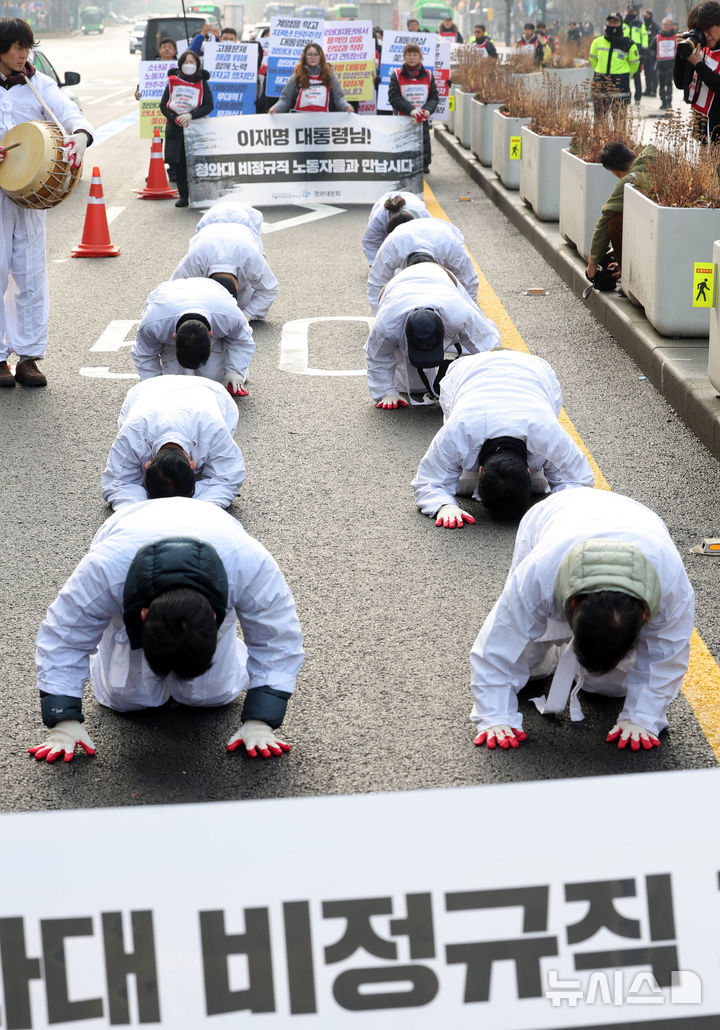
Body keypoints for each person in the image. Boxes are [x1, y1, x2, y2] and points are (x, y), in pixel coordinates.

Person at [28, 497, 304, 763]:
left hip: (213, 531)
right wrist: (63, 719)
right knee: (128, 700)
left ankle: (218, 665)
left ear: (215, 617)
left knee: (211, 696)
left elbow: (277, 639)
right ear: (142, 615)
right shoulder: (104, 568)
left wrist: (261, 720)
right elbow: (64, 637)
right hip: (130, 533)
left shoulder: (249, 563)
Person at [469, 488, 694, 752]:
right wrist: (495, 716)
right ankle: (548, 653)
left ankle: (588, 658)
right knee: (532, 669)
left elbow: (666, 654)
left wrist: (643, 718)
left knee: (608, 688)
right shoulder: (540, 571)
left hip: (638, 523)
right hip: (554, 515)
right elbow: (501, 638)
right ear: (571, 604)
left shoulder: (671, 586)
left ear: (644, 615)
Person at [0, 17, 93, 388]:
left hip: (26, 200)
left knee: (30, 275)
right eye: (15, 47)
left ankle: (29, 357)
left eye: (27, 47)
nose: (23, 54)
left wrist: (81, 136)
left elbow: (71, 115)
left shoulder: (38, 84)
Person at [412, 351, 594, 528]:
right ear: (528, 469)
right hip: (471, 373)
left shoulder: (548, 431)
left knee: (536, 484)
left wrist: (560, 508)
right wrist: (444, 506)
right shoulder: (458, 429)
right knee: (539, 485)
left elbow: (578, 483)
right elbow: (429, 480)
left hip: (531, 372)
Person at [364, 262, 500, 409]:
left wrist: (489, 384)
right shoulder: (387, 324)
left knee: (483, 343)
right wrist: (386, 393)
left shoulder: (458, 314)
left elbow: (486, 345)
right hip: (396, 288)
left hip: (442, 278)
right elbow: (377, 356)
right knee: (416, 388)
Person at [101, 375, 246, 510]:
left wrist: (196, 508)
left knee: (218, 469)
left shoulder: (214, 428)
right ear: (146, 465)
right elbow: (117, 483)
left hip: (211, 392)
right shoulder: (133, 431)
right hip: (147, 391)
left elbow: (228, 477)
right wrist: (142, 511)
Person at [132, 277, 254, 397]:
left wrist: (235, 371)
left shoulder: (230, 316)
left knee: (215, 384)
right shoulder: (153, 323)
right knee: (177, 388)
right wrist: (152, 385)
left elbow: (241, 341)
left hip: (212, 291)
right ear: (174, 338)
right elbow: (145, 354)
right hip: (166, 298)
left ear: (211, 335)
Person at [367, 217, 479, 312]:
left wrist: (466, 313)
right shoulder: (392, 246)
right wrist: (381, 315)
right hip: (407, 233)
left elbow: (469, 282)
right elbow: (376, 283)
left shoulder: (452, 248)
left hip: (442, 232)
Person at [171, 222, 278, 321]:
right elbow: (174, 289)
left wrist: (247, 315)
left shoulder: (250, 257)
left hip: (242, 233)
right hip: (208, 232)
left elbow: (269, 290)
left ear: (238, 288)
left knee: (242, 307)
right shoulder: (195, 258)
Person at [586, 141, 657, 281]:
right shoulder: (655, 155)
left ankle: (628, 277)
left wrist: (592, 262)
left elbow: (605, 218)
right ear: (633, 153)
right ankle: (625, 267)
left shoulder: (628, 181)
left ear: (614, 172)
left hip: (652, 230)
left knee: (615, 222)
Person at [159, 49, 213, 209]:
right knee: (180, 164)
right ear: (180, 65)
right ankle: (184, 195)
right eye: (186, 62)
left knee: (197, 163)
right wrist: (173, 117)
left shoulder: (202, 83)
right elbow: (163, 105)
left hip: (196, 128)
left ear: (197, 65)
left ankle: (201, 195)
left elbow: (209, 105)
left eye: (192, 62)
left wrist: (192, 115)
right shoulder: (172, 82)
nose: (189, 65)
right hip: (176, 128)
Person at [388, 43, 439, 175]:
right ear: (404, 57)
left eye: (415, 55)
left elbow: (434, 97)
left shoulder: (428, 75)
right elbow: (394, 98)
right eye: (409, 55)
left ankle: (423, 164)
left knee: (423, 141)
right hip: (402, 118)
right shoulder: (396, 75)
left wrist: (427, 110)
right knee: (403, 144)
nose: (412, 58)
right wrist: (411, 110)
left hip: (422, 118)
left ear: (420, 57)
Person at [674, 0, 720, 145]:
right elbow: (681, 84)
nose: (706, 36)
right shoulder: (702, 49)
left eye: (709, 29)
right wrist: (682, 55)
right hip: (703, 131)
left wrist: (698, 64)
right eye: (702, 31)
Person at [269, 42, 353, 113]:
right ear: (304, 57)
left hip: (325, 121)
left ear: (321, 57)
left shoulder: (329, 75)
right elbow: (285, 100)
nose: (313, 57)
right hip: (299, 122)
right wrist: (275, 109)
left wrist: (346, 107)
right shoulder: (297, 76)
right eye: (310, 55)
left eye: (316, 55)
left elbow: (339, 99)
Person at [589, 13, 640, 116]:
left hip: (620, 83)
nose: (612, 24)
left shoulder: (629, 43)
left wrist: (626, 75)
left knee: (619, 120)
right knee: (599, 120)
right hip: (600, 81)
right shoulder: (597, 42)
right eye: (610, 22)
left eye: (615, 22)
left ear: (621, 23)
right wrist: (600, 70)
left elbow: (635, 64)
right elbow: (592, 59)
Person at [361, 191, 431, 264]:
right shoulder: (378, 219)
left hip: (410, 199)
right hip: (384, 202)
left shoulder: (423, 215)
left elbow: (431, 241)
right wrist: (376, 266)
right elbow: (371, 244)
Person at [134, 37, 177, 101]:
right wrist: (138, 93)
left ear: (174, 51)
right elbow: (143, 84)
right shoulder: (150, 67)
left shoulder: (178, 66)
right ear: (159, 49)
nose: (167, 49)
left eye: (170, 47)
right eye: (164, 47)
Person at [623, 5, 648, 102]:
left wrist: (644, 51)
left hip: (637, 52)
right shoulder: (623, 24)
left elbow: (644, 37)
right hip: (625, 51)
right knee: (626, 75)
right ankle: (627, 95)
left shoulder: (640, 24)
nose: (631, 14)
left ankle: (638, 96)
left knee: (637, 75)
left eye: (632, 12)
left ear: (635, 13)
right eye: (629, 12)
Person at [652, 17, 677, 109]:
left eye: (668, 24)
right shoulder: (657, 37)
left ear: (671, 26)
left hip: (671, 64)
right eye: (664, 24)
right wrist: (653, 55)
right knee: (661, 84)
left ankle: (669, 101)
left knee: (668, 83)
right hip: (660, 64)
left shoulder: (675, 37)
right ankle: (663, 101)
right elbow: (652, 49)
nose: (666, 26)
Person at [642, 9, 660, 94]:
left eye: (647, 16)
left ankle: (653, 90)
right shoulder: (643, 26)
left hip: (653, 53)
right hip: (645, 53)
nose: (646, 17)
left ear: (651, 16)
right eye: (644, 16)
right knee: (646, 72)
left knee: (653, 72)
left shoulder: (655, 26)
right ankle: (648, 89)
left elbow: (657, 38)